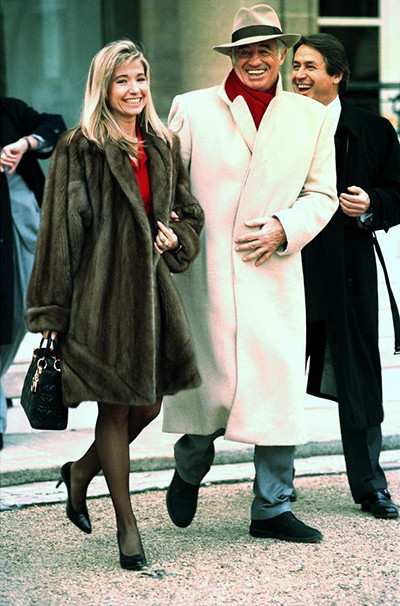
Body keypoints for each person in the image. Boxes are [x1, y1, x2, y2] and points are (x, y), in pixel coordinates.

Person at [162, 4, 338, 544]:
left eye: (265, 50)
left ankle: (272, 507)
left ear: (281, 55)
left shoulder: (311, 117)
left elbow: (322, 194)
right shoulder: (191, 108)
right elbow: (167, 187)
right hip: (206, 275)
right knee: (207, 391)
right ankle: (189, 469)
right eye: (245, 51)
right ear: (232, 56)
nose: (255, 60)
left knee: (275, 391)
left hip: (274, 270)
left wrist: (285, 227)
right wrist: (171, 231)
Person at [25, 39, 204, 569]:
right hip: (99, 297)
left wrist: (177, 238)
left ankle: (81, 472)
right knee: (117, 406)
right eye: (122, 80)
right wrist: (52, 312)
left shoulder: (163, 142)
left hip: (152, 297)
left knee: (148, 405)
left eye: (139, 79)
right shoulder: (79, 146)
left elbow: (189, 212)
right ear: (103, 87)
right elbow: (59, 233)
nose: (133, 89)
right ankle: (128, 528)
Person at [291, 33, 400, 519]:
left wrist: (372, 204)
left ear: (336, 75)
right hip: (290, 265)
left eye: (310, 66)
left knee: (359, 376)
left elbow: (398, 193)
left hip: (349, 269)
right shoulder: (277, 126)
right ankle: (276, 484)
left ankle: (371, 485)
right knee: (276, 373)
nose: (299, 74)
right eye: (296, 66)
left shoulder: (374, 130)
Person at [0, 98, 66, 450]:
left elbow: (53, 124)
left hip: (28, 234)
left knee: (21, 319)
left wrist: (25, 144)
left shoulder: (8, 110)